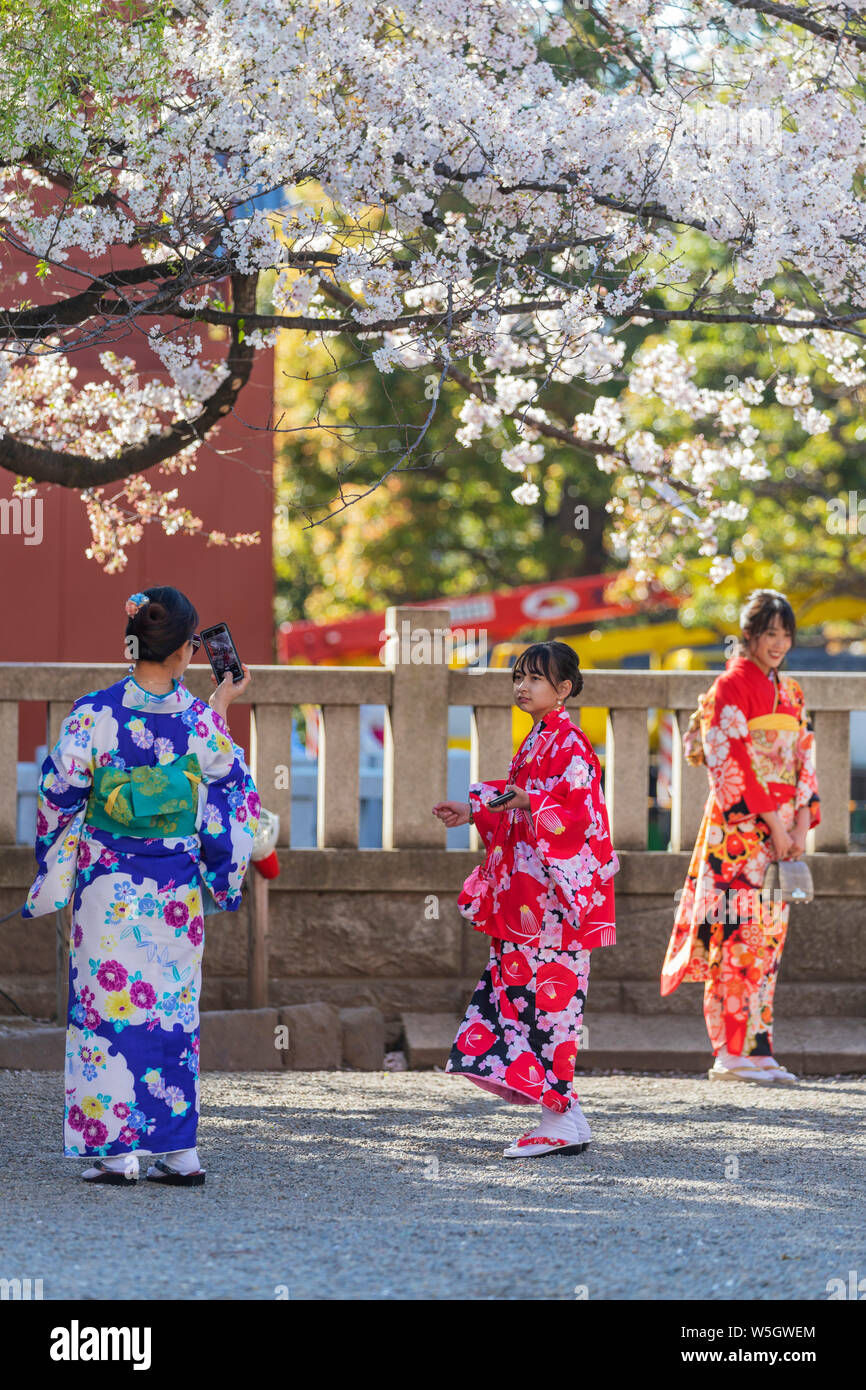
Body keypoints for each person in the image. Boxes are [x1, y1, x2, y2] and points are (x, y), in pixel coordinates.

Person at [21, 587, 260, 1184]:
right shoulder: (199, 719)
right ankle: (179, 1152)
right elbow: (236, 796)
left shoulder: (93, 713)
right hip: (173, 892)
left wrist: (57, 858)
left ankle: (114, 1151)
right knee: (170, 1013)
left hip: (107, 887)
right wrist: (217, 866)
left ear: (135, 647)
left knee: (105, 1011)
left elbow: (55, 798)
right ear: (186, 652)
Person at [433, 641, 618, 1160]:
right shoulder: (538, 740)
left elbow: (578, 816)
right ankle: (563, 1115)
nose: (522, 686)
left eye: (535, 678)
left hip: (554, 907)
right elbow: (520, 804)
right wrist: (473, 810)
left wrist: (528, 800)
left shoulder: (572, 743)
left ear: (563, 689)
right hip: (527, 901)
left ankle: (559, 1116)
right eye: (518, 676)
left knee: (548, 1006)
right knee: (518, 998)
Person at [660, 589, 820, 1084]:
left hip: (780, 832)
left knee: (768, 940)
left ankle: (759, 1047)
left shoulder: (791, 693)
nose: (779, 643)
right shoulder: (730, 686)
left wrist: (797, 826)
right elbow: (732, 763)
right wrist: (774, 823)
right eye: (770, 633)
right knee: (735, 936)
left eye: (786, 634)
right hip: (738, 834)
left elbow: (802, 762)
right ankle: (729, 1052)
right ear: (749, 635)